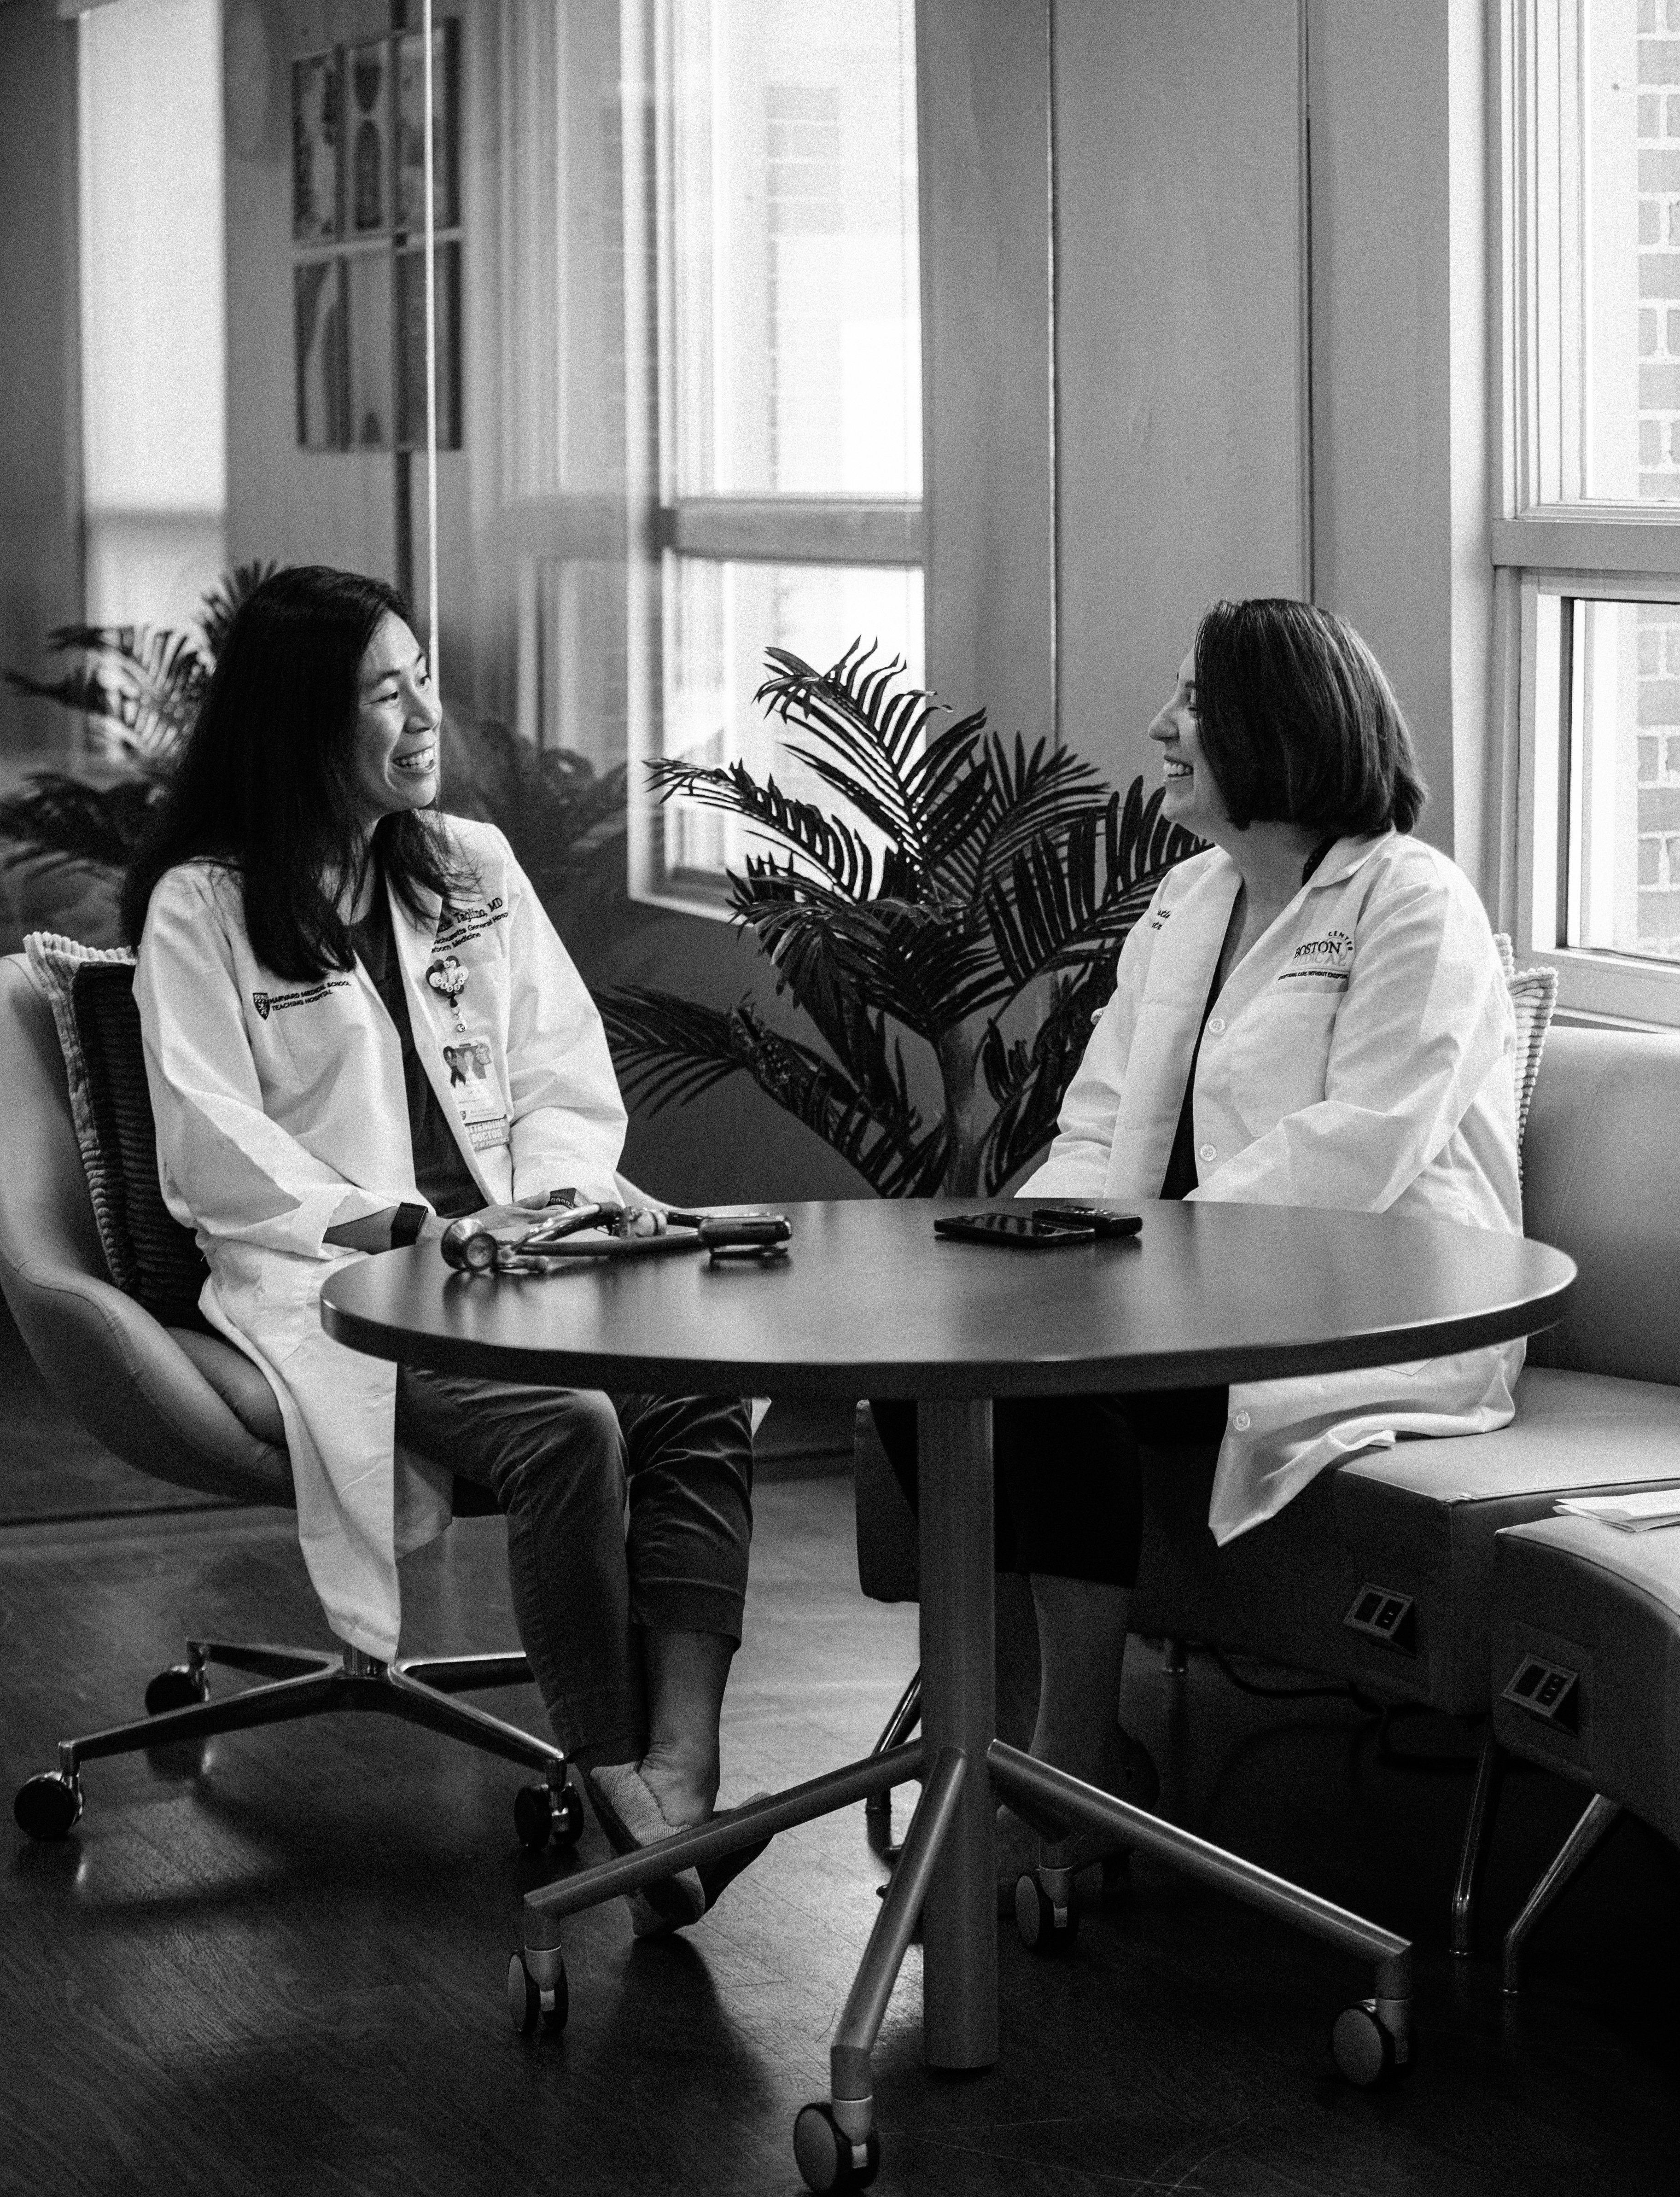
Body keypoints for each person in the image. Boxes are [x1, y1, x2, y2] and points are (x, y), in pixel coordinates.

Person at [126, 565, 755, 1931]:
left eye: (426, 680)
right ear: (301, 723)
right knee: (570, 1428)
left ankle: (683, 1774)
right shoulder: (206, 907)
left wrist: (555, 1204)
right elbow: (214, 1149)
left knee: (698, 1382)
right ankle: (612, 1791)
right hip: (346, 1281)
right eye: (385, 693)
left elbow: (562, 1077)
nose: (424, 716)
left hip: (531, 1249)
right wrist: (417, 1226)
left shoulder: (469, 864)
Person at [876, 597, 1522, 1889]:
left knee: (1062, 1400)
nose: (1161, 729)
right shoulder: (1190, 898)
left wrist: (1141, 1256)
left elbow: (1368, 1143)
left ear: (1274, 732)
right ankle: (995, 1745)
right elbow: (1101, 1117)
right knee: (924, 1368)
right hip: (1161, 1288)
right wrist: (1039, 1240)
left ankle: (1066, 1774)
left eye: (1192, 705)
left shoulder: (1410, 900)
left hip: (1362, 1300)